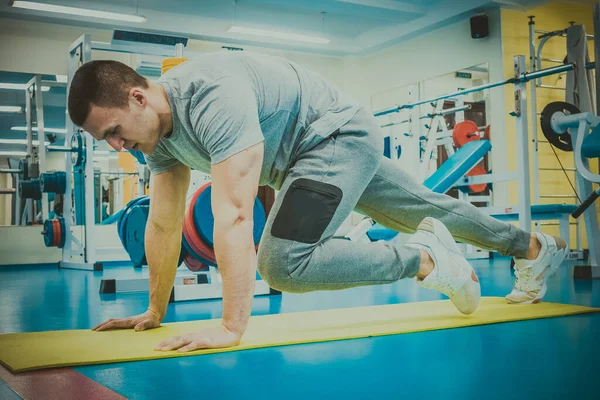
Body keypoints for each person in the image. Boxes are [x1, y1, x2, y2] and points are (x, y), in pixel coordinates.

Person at [67, 52, 567, 353]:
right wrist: (154, 308)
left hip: (334, 137)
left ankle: (426, 259)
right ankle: (534, 249)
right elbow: (163, 221)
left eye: (113, 132)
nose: (116, 146)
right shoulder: (159, 139)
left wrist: (230, 326)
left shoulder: (209, 96)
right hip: (315, 153)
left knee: (283, 263)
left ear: (137, 97)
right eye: (104, 140)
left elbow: (236, 216)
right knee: (425, 208)